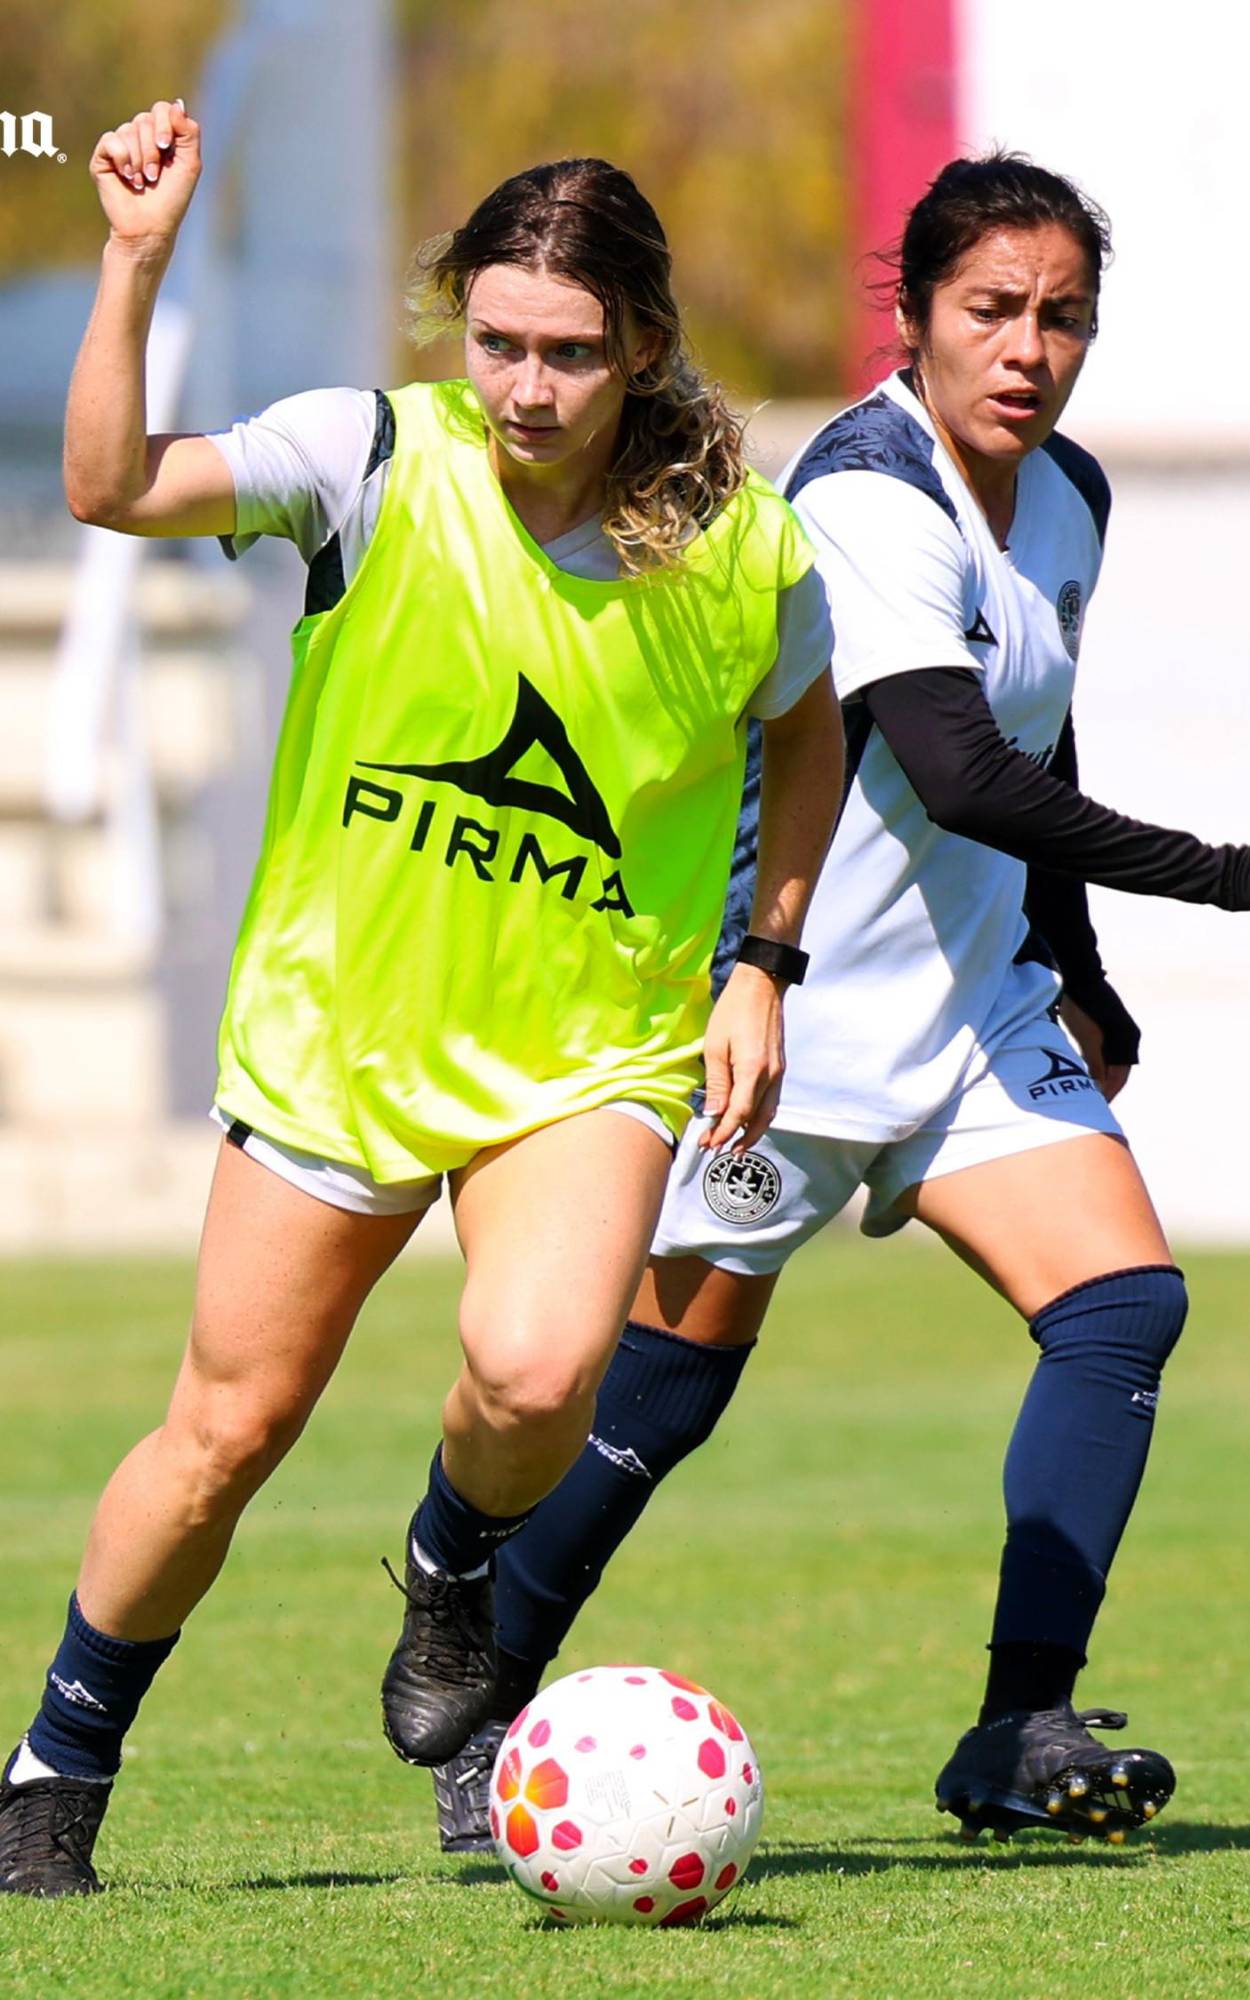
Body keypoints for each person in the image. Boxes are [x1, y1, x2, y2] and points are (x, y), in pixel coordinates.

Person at [425, 152, 1250, 1854]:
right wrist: (1243, 871)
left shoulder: (1067, 493)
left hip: (974, 1014)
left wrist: (1078, 964)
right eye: (990, 310)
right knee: (658, 1400)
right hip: (790, 1018)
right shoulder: (862, 491)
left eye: (1061, 317)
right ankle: (479, 1716)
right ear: (911, 314)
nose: (1027, 349)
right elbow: (956, 765)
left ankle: (1016, 1727)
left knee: (1120, 1309)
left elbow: (1039, 726)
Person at [0, 101, 845, 1898]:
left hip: (587, 1051)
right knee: (223, 1436)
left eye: (568, 352)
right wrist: (135, 260)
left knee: (537, 1372)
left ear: (641, 347)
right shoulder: (367, 455)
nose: (525, 386)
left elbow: (806, 734)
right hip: (339, 1040)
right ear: (458, 320)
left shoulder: (743, 551)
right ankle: (57, 1768)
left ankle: (452, 1570)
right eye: (497, 341)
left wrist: (761, 960)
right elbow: (109, 487)